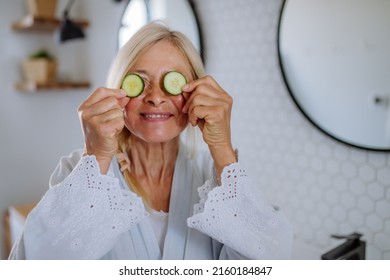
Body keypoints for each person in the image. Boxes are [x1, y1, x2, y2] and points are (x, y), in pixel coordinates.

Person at [9, 21, 293, 260]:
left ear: (196, 92)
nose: (156, 97)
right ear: (118, 91)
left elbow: (274, 262)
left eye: (173, 81)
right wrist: (96, 157)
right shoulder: (81, 171)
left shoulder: (216, 177)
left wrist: (222, 148)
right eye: (138, 81)